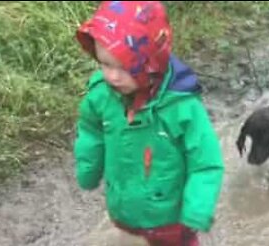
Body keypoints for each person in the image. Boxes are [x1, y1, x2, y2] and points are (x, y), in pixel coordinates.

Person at [73, 1, 224, 245]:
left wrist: (197, 210)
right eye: (104, 64)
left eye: (123, 68)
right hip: (124, 212)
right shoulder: (101, 96)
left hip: (172, 222)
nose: (111, 76)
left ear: (150, 64)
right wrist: (88, 168)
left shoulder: (181, 107)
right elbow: (91, 132)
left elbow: (206, 162)